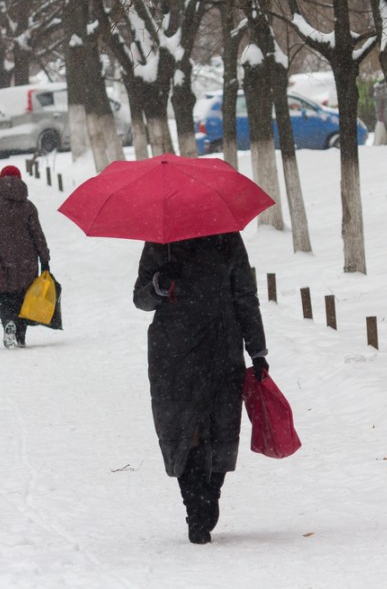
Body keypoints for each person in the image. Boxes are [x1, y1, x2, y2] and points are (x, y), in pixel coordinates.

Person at [133, 232, 269, 544]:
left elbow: (245, 295)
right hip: (173, 352)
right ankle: (194, 506)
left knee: (221, 425)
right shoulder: (160, 240)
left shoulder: (227, 238)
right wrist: (158, 286)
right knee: (183, 429)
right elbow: (140, 299)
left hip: (221, 346)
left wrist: (257, 350)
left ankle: (210, 493)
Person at [0, 165, 50, 349]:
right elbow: (38, 235)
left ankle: (8, 322)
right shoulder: (28, 206)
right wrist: (45, 259)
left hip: (1, 261)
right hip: (27, 261)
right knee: (23, 296)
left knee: (4, 296)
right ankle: (20, 334)